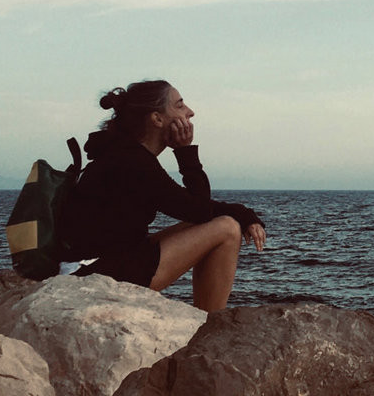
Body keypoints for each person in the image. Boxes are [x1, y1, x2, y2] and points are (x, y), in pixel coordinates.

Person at [58, 80, 266, 313]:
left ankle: (208, 321)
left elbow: (191, 207)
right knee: (226, 229)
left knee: (220, 222)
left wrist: (242, 213)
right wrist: (185, 152)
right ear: (157, 119)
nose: (190, 112)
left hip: (98, 262)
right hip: (93, 273)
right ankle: (211, 323)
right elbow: (199, 211)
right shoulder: (132, 162)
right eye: (180, 105)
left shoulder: (123, 154)